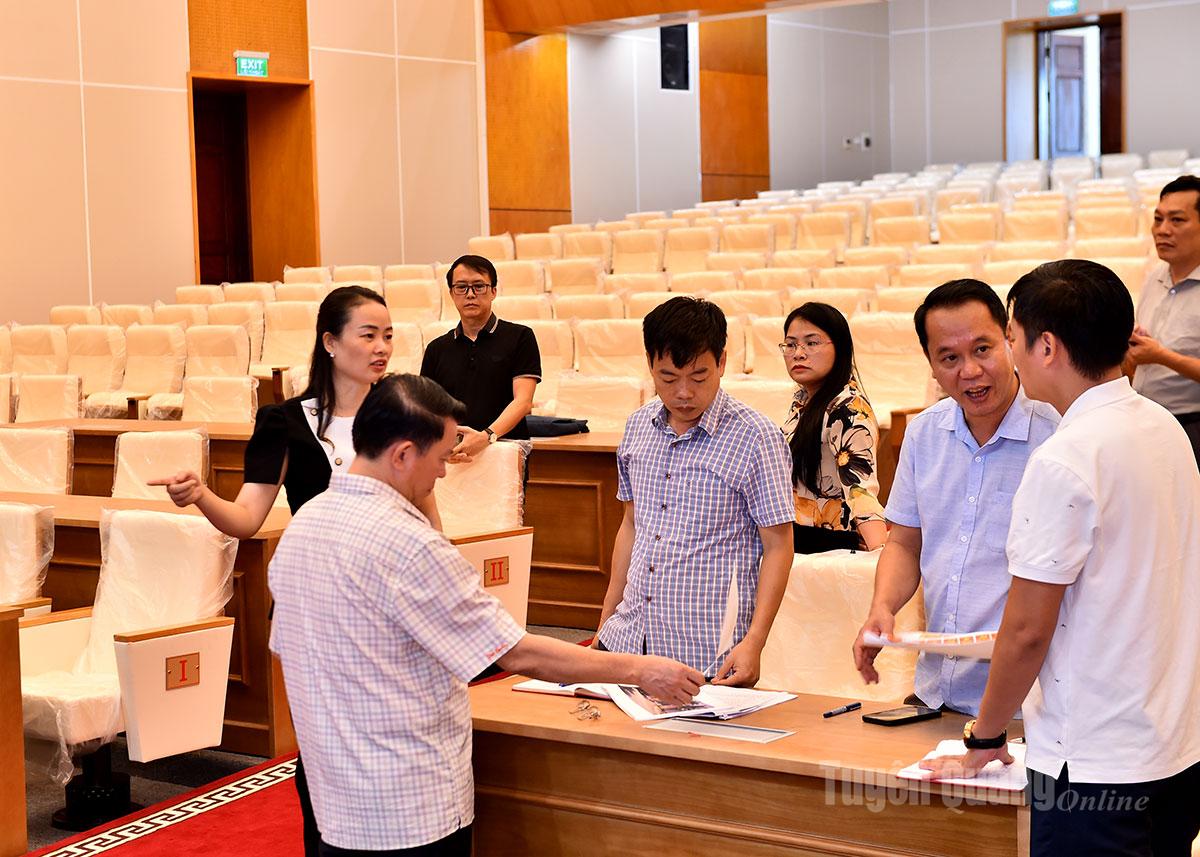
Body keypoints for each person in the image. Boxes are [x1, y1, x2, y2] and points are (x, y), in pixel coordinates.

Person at [269, 374, 704, 856]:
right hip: (408, 809)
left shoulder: (303, 526)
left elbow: (289, 651)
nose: (441, 474)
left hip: (332, 799)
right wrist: (641, 670)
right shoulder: (411, 546)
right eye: (439, 459)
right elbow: (517, 653)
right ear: (403, 454)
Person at [920, 259, 1200, 855]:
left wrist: (984, 738)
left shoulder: (1064, 458)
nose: (1010, 355)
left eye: (1012, 338)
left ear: (1045, 347)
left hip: (1094, 764)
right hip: (1175, 747)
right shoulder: (1164, 425)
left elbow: (1026, 630)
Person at [153, 285, 438, 856]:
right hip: (320, 604)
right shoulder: (283, 421)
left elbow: (428, 515)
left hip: (393, 601)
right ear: (330, 342)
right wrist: (201, 495)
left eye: (388, 335)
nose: (382, 347)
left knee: (394, 741)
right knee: (326, 748)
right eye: (368, 335)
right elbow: (246, 519)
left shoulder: (405, 413)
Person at [852, 279, 1059, 716]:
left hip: (1028, 706)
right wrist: (882, 607)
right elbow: (904, 544)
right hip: (936, 693)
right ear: (930, 364)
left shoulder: (1057, 432)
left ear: (1009, 339)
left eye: (982, 349)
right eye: (949, 358)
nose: (969, 371)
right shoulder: (924, 434)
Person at [594, 297, 795, 686]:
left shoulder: (756, 437)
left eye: (699, 377)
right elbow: (631, 525)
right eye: (668, 378)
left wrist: (754, 642)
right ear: (650, 365)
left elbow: (778, 546)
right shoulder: (637, 427)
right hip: (628, 636)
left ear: (722, 362)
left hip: (706, 650)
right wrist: (605, 622)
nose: (684, 393)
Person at [779, 302, 886, 554]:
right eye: (790, 344)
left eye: (811, 343)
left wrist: (880, 554)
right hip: (798, 536)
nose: (798, 353)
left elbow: (860, 490)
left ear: (840, 347)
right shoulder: (803, 400)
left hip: (828, 547)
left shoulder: (847, 409)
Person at [420, 254, 541, 461]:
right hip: (453, 455)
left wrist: (486, 436)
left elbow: (523, 401)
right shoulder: (436, 349)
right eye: (461, 287)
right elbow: (427, 410)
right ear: (451, 293)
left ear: (493, 291)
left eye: (478, 286)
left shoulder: (521, 337)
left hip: (505, 453)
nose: (470, 294)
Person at [1127, 174, 1200, 465]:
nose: (1163, 230)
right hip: (1144, 417)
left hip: (1191, 425)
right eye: (1158, 219)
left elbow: (1157, 354)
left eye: (1177, 220)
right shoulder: (1153, 277)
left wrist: (1161, 356)